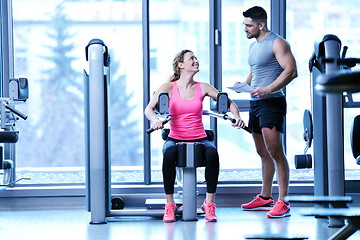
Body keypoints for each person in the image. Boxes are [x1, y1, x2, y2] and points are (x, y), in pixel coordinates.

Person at [145, 49, 246, 223]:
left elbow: (229, 103)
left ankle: (209, 203)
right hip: (175, 136)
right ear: (180, 65)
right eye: (191, 58)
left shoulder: (203, 87)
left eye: (196, 58)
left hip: (199, 136)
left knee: (212, 154)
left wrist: (236, 116)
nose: (196, 60)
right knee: (168, 154)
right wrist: (154, 120)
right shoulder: (168, 87)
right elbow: (148, 109)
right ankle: (170, 204)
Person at [238, 6, 298, 218]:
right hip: (256, 102)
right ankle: (265, 197)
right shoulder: (254, 46)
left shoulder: (277, 42)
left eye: (248, 25)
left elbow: (291, 71)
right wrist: (243, 84)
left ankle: (284, 201)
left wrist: (267, 89)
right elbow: (256, 71)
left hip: (271, 102)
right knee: (262, 152)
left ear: (260, 24)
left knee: (275, 152)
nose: (245, 29)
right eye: (244, 24)